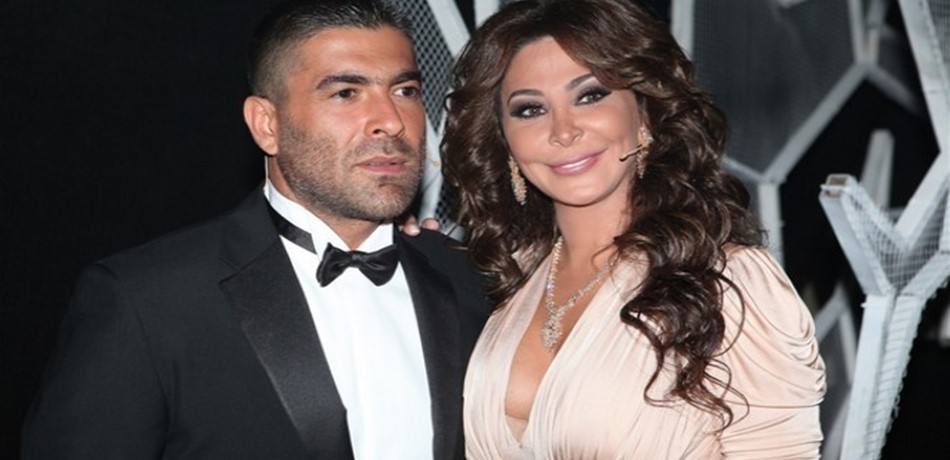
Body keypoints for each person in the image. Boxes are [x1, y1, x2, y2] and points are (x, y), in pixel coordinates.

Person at [21, 1, 489, 459]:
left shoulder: (472, 280)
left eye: (405, 90)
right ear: (267, 124)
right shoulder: (146, 300)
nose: (391, 121)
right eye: (346, 93)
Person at [441, 0, 827, 458]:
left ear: (644, 112)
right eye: (530, 109)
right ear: (504, 139)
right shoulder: (510, 279)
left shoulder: (726, 282)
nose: (563, 130)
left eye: (590, 95)